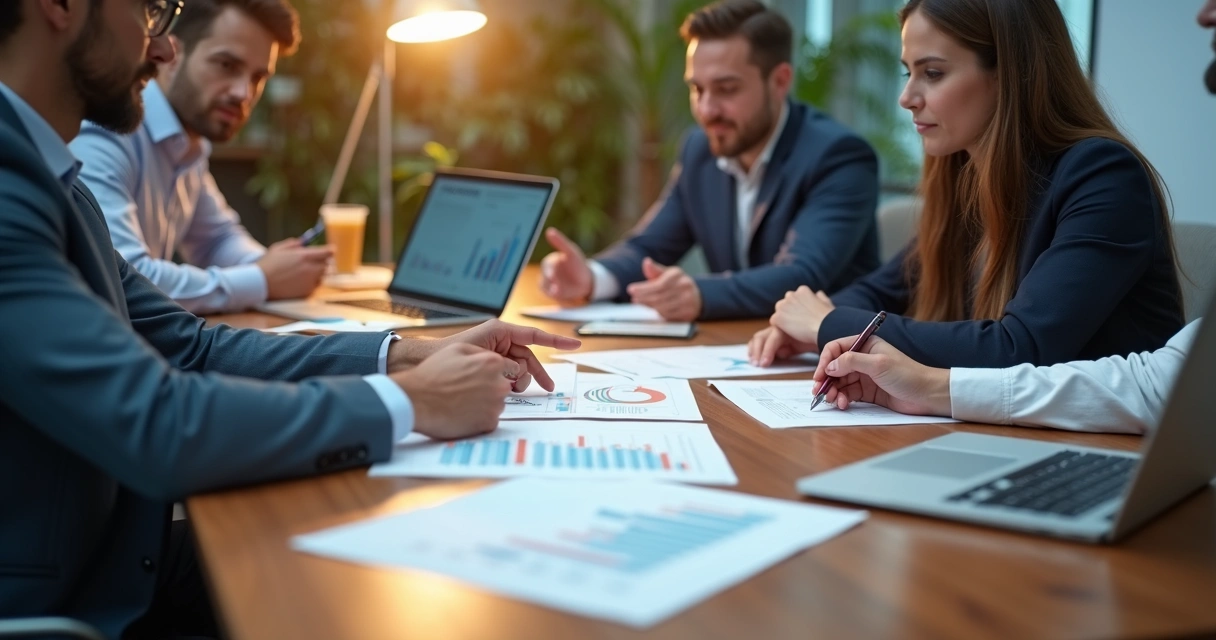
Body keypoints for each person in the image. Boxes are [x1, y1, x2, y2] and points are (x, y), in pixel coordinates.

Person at [0, 1, 579, 637]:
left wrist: (404, 354)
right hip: (63, 605)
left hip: (115, 552)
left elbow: (189, 346)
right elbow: (159, 423)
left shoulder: (55, 180)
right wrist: (409, 401)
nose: (162, 51)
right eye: (148, 10)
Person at [805, 0, 1216, 435]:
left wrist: (822, 322)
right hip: (1001, 433)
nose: (906, 98)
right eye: (909, 72)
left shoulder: (1102, 175)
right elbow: (883, 291)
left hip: (1106, 453)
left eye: (933, 73)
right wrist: (818, 319)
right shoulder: (967, 175)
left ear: (1008, 75)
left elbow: (1019, 347)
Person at [539, 0, 881, 322]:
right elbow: (650, 245)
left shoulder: (840, 156)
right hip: (736, 352)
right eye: (697, 89)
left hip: (829, 363)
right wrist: (593, 278)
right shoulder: (700, 149)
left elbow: (802, 275)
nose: (706, 110)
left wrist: (699, 293)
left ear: (779, 81)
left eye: (727, 89)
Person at [70, 0, 330, 314]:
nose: (244, 93)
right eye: (226, 65)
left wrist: (278, 267)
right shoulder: (107, 130)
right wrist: (262, 278)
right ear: (171, 56)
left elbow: (217, 239)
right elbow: (126, 280)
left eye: (258, 78)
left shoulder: (187, 143)